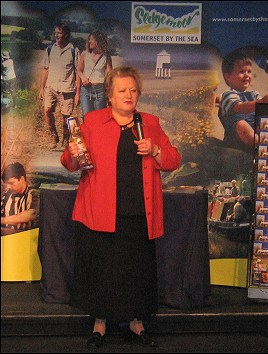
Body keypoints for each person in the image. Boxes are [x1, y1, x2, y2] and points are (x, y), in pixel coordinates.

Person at [60, 66, 181, 348]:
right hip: (100, 212)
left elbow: (174, 159)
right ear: (110, 97)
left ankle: (136, 324)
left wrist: (156, 150)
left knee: (137, 270)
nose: (129, 95)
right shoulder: (92, 121)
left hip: (139, 212)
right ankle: (99, 324)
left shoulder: (150, 122)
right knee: (102, 271)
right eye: (122, 90)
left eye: (133, 90)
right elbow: (69, 162)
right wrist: (74, 154)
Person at [218, 49, 268, 151]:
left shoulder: (255, 94)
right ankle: (262, 147)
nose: (247, 75)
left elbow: (264, 109)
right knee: (241, 124)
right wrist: (261, 102)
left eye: (249, 71)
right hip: (236, 137)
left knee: (266, 121)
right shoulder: (228, 95)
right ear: (228, 77)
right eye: (241, 71)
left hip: (254, 130)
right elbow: (239, 107)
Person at [39, 23, 80, 149]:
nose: (56, 35)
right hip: (50, 86)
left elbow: (78, 72)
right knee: (47, 110)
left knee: (66, 117)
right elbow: (46, 69)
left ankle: (65, 139)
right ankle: (54, 136)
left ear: (66, 35)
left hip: (67, 89)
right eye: (55, 32)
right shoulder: (50, 49)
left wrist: (78, 93)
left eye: (59, 33)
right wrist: (42, 88)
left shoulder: (74, 50)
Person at [77, 31, 112, 119]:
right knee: (87, 117)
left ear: (99, 41)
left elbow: (109, 75)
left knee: (99, 118)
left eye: (92, 39)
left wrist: (109, 93)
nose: (90, 42)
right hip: (86, 90)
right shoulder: (85, 54)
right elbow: (79, 70)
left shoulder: (106, 56)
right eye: (89, 39)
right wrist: (83, 78)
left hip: (100, 90)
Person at [1, 162, 39, 235]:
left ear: (21, 179)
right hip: (8, 238)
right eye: (7, 184)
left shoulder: (34, 193)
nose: (8, 187)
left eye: (11, 183)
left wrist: (3, 220)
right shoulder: (7, 195)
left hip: (28, 239)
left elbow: (32, 214)